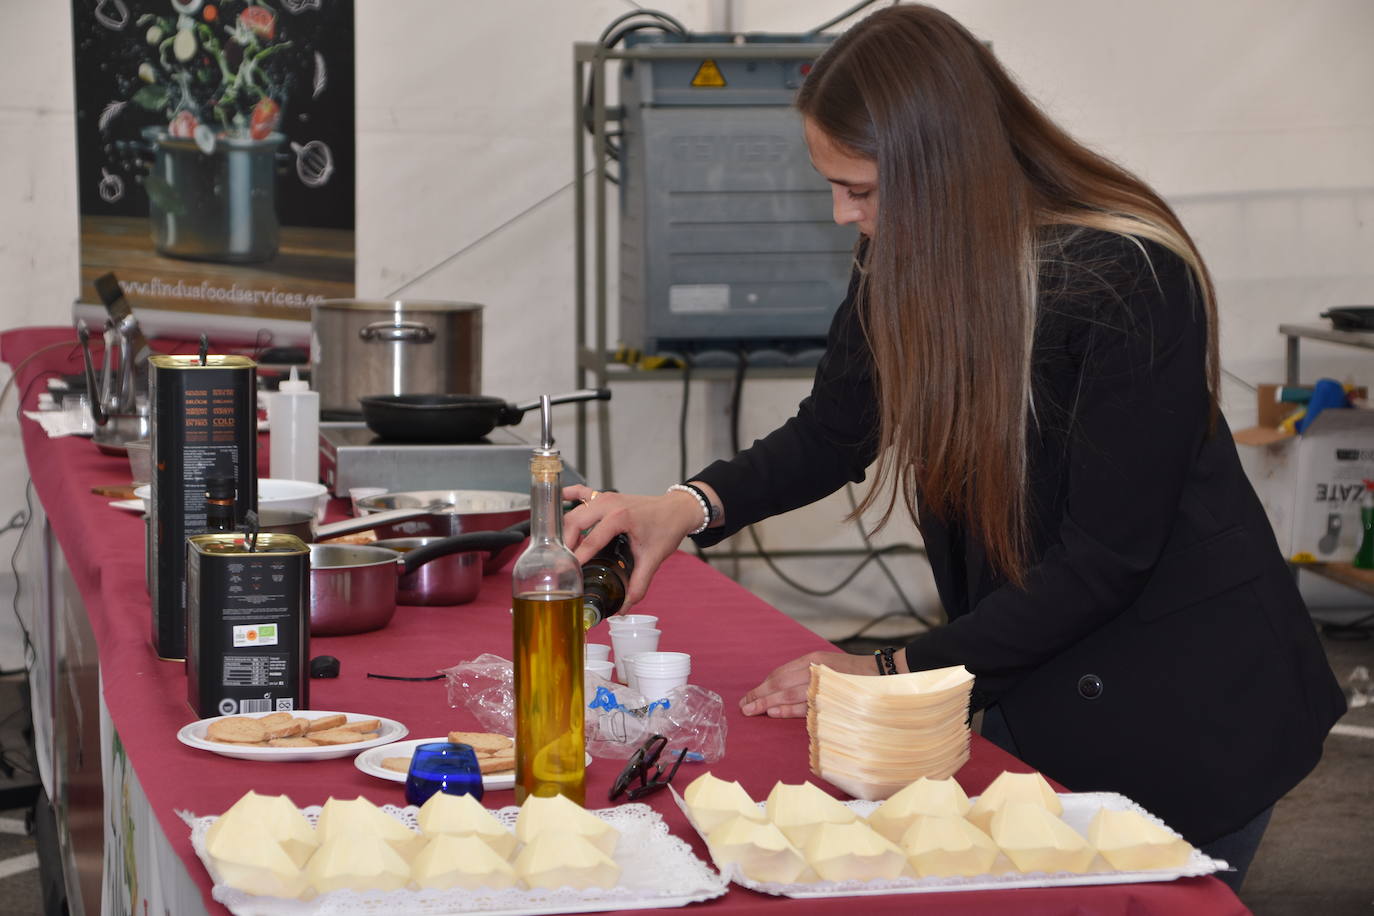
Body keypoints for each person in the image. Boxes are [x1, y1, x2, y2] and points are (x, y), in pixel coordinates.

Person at [563, 3, 1345, 891]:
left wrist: (889, 669)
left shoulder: (1128, 277)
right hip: (1029, 668)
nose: (839, 215)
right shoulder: (905, 250)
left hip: (1190, 708)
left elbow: (1105, 560)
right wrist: (687, 506)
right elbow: (835, 429)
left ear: (944, 171)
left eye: (858, 190)